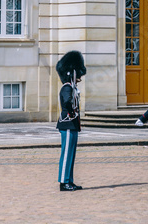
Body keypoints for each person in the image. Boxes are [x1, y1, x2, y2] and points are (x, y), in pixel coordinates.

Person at [56, 50, 86, 192]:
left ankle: (69, 180)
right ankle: (63, 182)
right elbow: (67, 102)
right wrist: (72, 111)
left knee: (71, 155)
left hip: (72, 124)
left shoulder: (72, 87)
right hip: (67, 124)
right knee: (67, 154)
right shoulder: (67, 87)